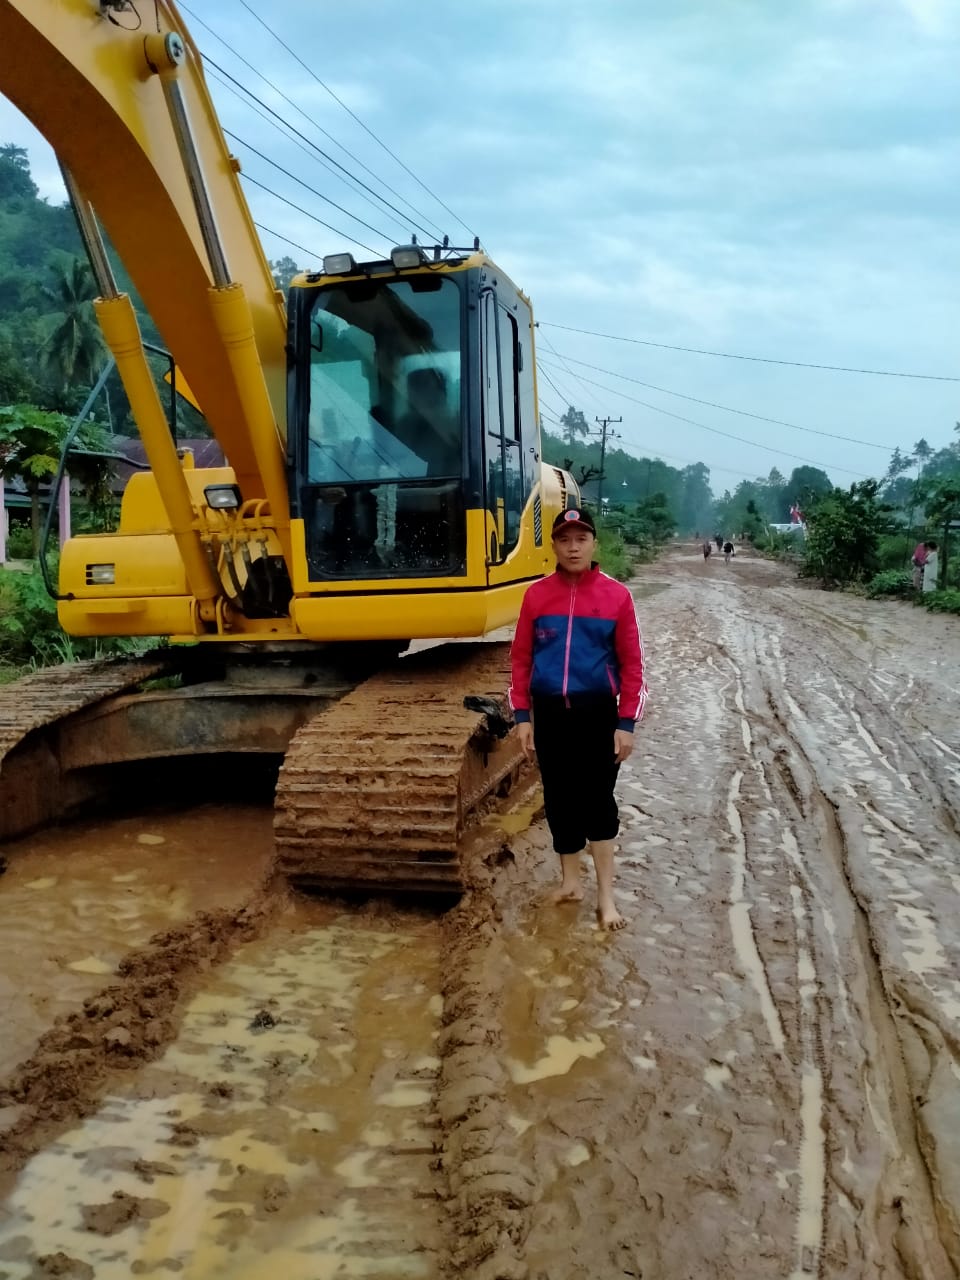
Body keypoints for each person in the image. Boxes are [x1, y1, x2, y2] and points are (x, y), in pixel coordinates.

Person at [509, 507, 647, 931]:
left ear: (593, 544)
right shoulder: (536, 596)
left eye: (581, 538)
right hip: (550, 715)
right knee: (559, 800)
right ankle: (571, 883)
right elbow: (521, 660)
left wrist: (626, 724)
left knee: (597, 804)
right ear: (554, 545)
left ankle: (606, 898)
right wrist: (522, 716)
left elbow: (633, 666)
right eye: (565, 539)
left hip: (597, 716)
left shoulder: (616, 596)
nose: (573, 546)